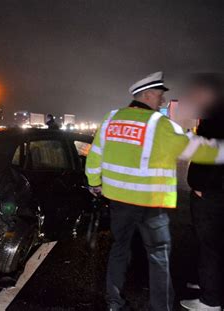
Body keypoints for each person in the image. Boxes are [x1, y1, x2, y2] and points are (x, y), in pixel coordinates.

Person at [85, 71, 224, 311]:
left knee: (119, 250)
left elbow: (94, 156)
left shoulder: (111, 118)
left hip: (118, 201)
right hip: (150, 204)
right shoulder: (158, 125)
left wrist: (94, 182)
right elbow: (198, 149)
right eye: (159, 96)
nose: (161, 101)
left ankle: (114, 303)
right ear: (147, 95)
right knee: (159, 257)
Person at [180, 74, 224, 311]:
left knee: (210, 246)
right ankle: (207, 284)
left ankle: (210, 301)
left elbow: (213, 155)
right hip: (214, 191)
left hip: (211, 194)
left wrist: (201, 187)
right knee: (211, 244)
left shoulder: (216, 118)